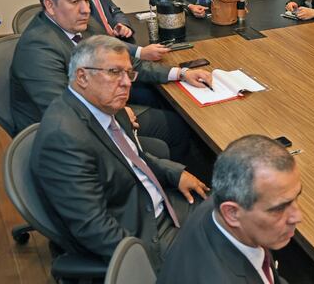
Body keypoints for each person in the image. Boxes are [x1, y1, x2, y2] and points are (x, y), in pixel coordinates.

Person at [30, 35, 209, 270]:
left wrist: (175, 174)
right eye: (114, 72)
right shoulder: (64, 138)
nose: (126, 83)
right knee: (225, 259)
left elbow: (135, 157)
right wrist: (144, 262)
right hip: (142, 235)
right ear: (82, 76)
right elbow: (93, 227)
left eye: (128, 73)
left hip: (157, 203)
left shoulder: (107, 108)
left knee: (245, 217)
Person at [10, 0, 211, 167]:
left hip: (100, 107)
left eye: (87, 0)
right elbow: (62, 109)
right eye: (74, 1)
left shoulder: (84, 24)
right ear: (50, 6)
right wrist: (116, 112)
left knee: (169, 111)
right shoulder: (37, 48)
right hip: (66, 140)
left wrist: (181, 73)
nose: (86, 9)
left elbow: (127, 62)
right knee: (173, 131)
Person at [158, 134, 302, 283]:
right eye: (278, 209)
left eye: (296, 197)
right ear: (232, 213)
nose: (298, 217)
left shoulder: (221, 200)